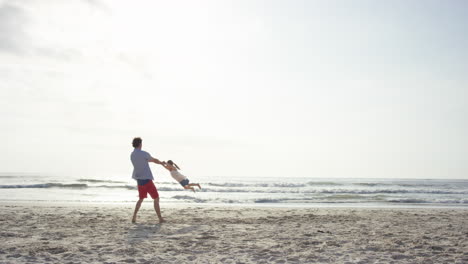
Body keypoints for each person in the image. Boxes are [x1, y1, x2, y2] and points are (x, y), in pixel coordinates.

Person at [130, 137, 165, 224]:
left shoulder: (132, 154)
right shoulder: (143, 153)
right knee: (156, 198)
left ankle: (134, 216)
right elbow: (153, 160)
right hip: (147, 180)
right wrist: (161, 162)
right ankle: (160, 218)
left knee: (141, 199)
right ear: (140, 144)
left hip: (139, 180)